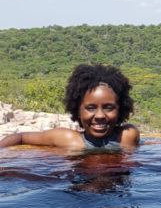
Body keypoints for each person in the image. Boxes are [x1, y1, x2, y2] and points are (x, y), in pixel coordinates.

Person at [0, 64, 140, 152]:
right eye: (90, 108)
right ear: (77, 110)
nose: (99, 116)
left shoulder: (128, 136)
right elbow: (21, 137)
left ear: (121, 109)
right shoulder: (67, 139)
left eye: (108, 107)